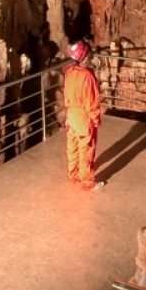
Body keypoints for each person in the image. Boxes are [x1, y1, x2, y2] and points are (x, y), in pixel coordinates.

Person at [63, 40, 105, 190]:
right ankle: (87, 182)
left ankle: (73, 175)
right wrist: (95, 119)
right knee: (86, 149)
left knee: (72, 147)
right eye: (89, 54)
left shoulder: (69, 71)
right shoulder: (87, 76)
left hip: (71, 115)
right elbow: (91, 101)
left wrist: (68, 114)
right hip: (83, 117)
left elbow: (66, 95)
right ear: (84, 57)